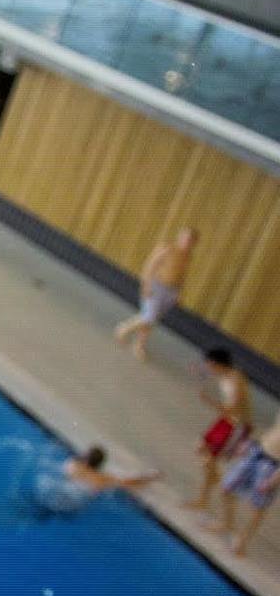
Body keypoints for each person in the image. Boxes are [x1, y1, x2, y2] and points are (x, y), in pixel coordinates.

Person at [112, 226, 196, 360]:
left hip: (171, 291)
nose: (187, 242)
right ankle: (124, 328)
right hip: (157, 286)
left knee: (152, 320)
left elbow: (182, 275)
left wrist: (179, 293)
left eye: (190, 241)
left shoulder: (187, 257)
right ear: (180, 237)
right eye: (185, 238)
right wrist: (146, 284)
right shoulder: (167, 248)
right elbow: (150, 265)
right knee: (149, 316)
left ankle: (139, 345)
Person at [186, 348, 254, 514]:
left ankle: (206, 495)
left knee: (209, 460)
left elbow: (231, 409)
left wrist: (207, 401)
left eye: (209, 365)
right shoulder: (225, 372)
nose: (207, 367)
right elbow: (207, 372)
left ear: (216, 364)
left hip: (237, 427)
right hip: (226, 422)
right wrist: (198, 371)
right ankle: (211, 481)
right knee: (202, 450)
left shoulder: (234, 382)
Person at [215, 421, 280, 557]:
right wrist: (249, 444)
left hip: (273, 465)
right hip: (257, 451)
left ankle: (242, 542)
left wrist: (274, 479)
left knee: (258, 508)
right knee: (226, 487)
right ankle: (227, 524)